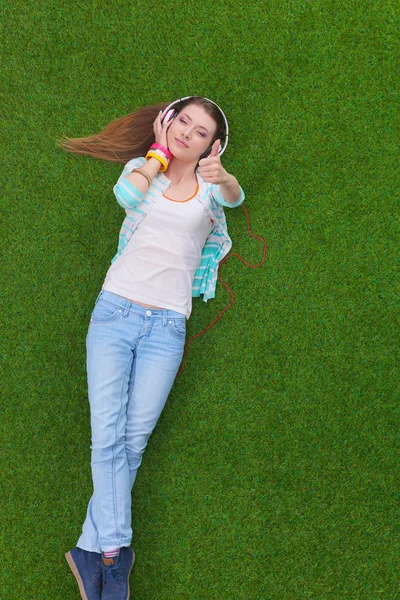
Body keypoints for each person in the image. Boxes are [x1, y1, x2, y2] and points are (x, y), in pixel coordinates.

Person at [58, 95, 245, 600]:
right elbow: (125, 194)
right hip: (115, 313)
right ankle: (116, 555)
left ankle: (87, 547)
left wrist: (219, 172)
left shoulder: (211, 189)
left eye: (200, 131)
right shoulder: (144, 168)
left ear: (214, 144)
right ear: (168, 123)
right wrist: (159, 152)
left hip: (167, 326)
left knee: (132, 441)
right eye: (183, 121)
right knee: (106, 436)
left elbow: (234, 197)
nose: (188, 132)